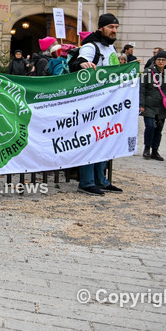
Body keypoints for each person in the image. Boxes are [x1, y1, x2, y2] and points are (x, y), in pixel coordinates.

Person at [69, 13, 123, 195]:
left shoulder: (111, 48)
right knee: (91, 141)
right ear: (101, 28)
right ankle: (86, 181)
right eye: (111, 27)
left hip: (108, 103)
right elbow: (80, 61)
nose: (114, 30)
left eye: (116, 27)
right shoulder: (91, 46)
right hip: (92, 103)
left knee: (105, 141)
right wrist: (82, 64)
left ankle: (102, 180)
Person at [140, 50, 166, 161]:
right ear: (155, 60)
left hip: (162, 106)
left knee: (159, 129)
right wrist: (141, 104)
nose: (161, 62)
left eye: (163, 60)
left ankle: (155, 150)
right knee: (150, 126)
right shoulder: (148, 72)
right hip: (149, 105)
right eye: (159, 59)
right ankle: (147, 148)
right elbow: (142, 88)